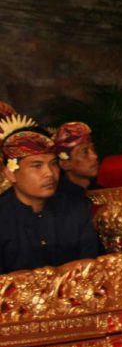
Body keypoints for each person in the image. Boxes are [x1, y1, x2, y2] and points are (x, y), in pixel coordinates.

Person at [0, 115, 100, 274]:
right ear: (11, 174)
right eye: (36, 165)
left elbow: (91, 268)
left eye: (53, 164)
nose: (49, 173)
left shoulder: (76, 207)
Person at [53, 121, 100, 203]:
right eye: (85, 152)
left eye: (93, 149)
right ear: (65, 164)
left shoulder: (103, 192)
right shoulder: (59, 203)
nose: (94, 156)